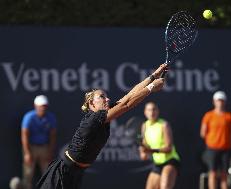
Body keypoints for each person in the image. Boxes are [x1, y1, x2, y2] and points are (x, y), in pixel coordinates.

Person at [36, 63, 168, 189]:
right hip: (61, 172)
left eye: (106, 96)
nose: (107, 99)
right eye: (102, 97)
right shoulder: (94, 118)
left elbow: (129, 96)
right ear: (91, 104)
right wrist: (151, 88)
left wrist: (153, 76)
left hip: (76, 172)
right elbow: (127, 105)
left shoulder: (103, 114)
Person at [139, 102, 180, 189]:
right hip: (157, 163)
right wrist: (143, 152)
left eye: (154, 109)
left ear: (158, 111)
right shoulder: (144, 126)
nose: (152, 112)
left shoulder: (164, 125)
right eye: (149, 110)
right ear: (145, 112)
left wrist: (151, 151)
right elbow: (145, 147)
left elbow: (169, 148)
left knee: (164, 187)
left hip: (170, 160)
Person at [200, 91, 231, 189]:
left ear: (224, 102)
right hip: (212, 150)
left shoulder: (229, 117)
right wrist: (213, 139)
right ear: (214, 102)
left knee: (224, 174)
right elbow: (203, 133)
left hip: (226, 150)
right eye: (218, 100)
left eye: (222, 100)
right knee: (212, 173)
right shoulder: (208, 116)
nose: (220, 102)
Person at [21, 95, 56, 189]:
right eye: (41, 106)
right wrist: (27, 153)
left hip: (45, 148)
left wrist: (50, 151)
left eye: (45, 106)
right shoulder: (29, 117)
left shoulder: (50, 117)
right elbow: (24, 135)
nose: (43, 108)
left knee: (48, 174)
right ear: (35, 106)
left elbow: (52, 136)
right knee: (28, 175)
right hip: (31, 148)